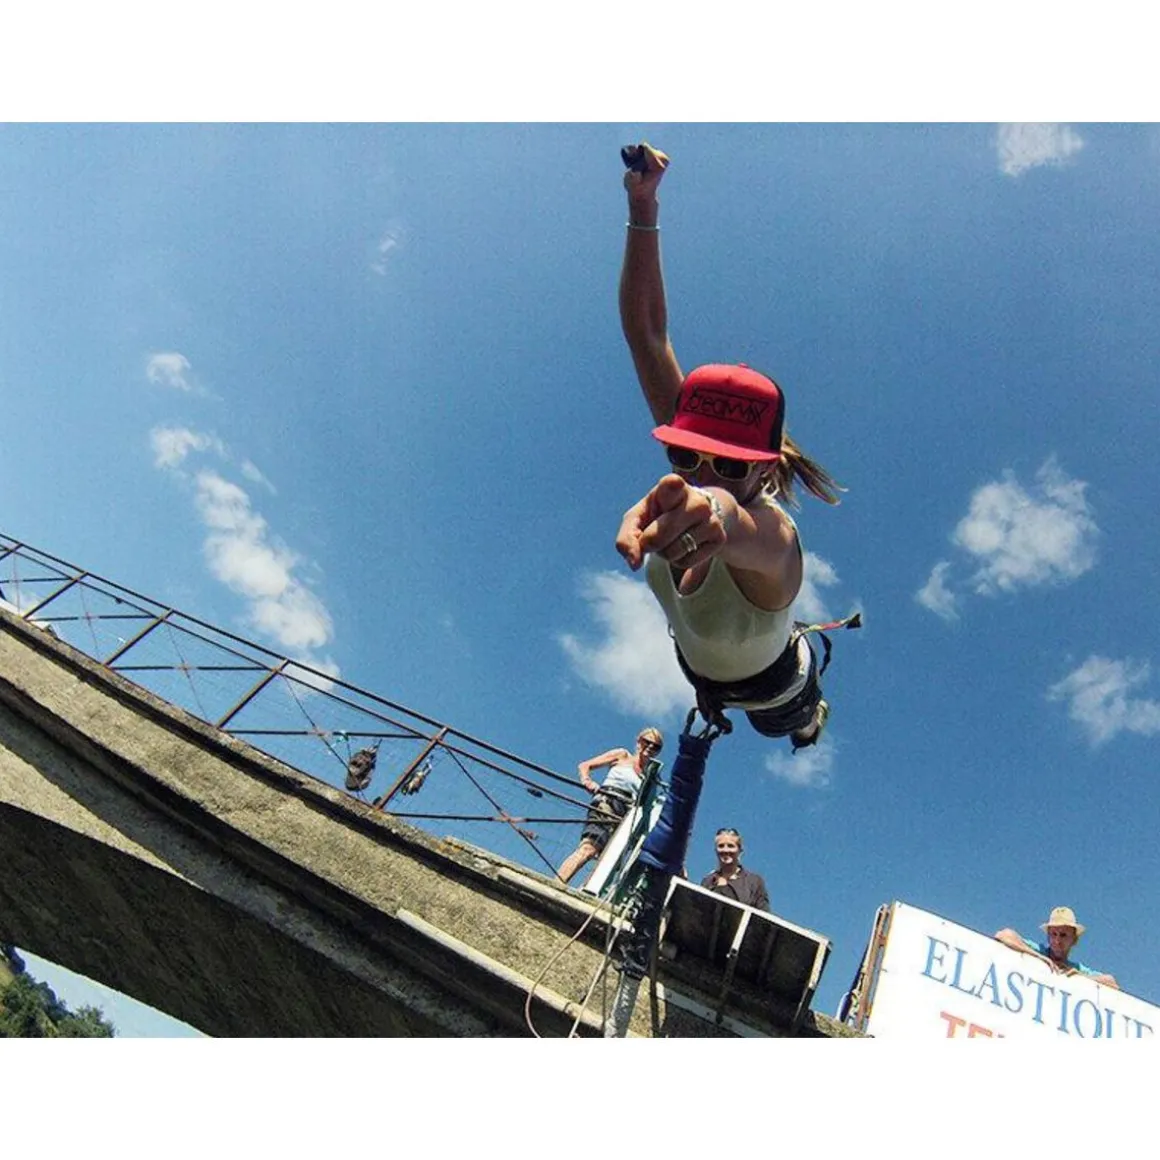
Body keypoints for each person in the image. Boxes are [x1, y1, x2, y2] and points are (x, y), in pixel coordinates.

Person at [615, 143, 852, 749]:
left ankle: (813, 717)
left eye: (728, 465)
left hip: (776, 686)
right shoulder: (692, 467)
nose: (703, 474)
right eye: (684, 456)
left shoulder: (776, 543)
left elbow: (737, 528)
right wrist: (644, 207)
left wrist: (716, 512)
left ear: (764, 470)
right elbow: (646, 332)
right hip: (704, 676)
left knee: (794, 729)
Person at [557, 727, 664, 885]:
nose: (649, 747)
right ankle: (557, 882)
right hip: (607, 802)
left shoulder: (650, 775)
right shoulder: (622, 755)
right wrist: (587, 781)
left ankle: (585, 892)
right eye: (646, 742)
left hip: (627, 814)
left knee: (607, 861)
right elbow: (585, 765)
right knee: (590, 847)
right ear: (638, 741)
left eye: (655, 746)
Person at [993, 906, 1119, 989]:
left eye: (1063, 935)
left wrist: (1082, 977)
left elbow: (1112, 982)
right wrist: (1039, 957)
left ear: (1074, 940)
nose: (1057, 940)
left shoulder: (1076, 969)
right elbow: (1003, 934)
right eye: (1053, 934)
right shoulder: (1039, 950)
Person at [700, 827, 769, 911]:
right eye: (721, 846)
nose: (725, 850)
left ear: (740, 851)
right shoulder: (707, 881)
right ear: (715, 850)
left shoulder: (754, 882)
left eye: (731, 846)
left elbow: (764, 916)